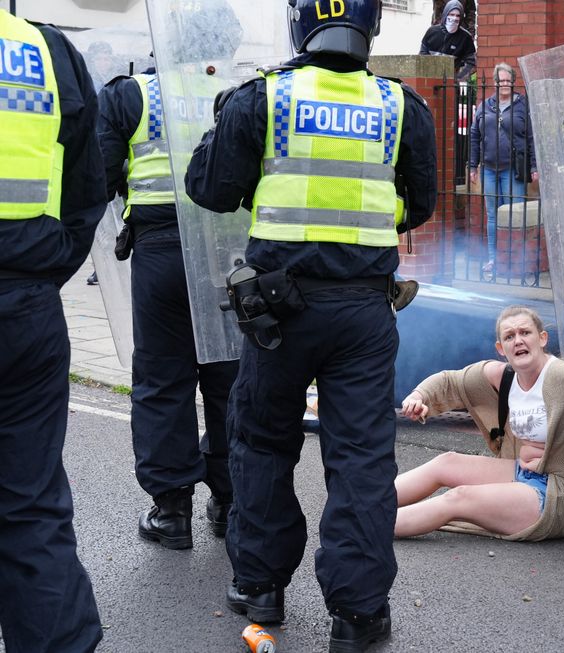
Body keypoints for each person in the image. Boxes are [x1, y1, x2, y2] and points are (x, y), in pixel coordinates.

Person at [184, 0, 437, 650]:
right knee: (358, 459)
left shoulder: (261, 99)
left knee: (265, 442)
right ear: (371, 23)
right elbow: (418, 204)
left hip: (277, 311)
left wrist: (231, 142)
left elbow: (207, 189)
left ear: (301, 20)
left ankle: (261, 589)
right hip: (362, 309)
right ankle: (357, 616)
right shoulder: (402, 107)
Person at [97, 47, 240, 547]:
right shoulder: (240, 91)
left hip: (159, 249)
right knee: (227, 374)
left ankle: (172, 510)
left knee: (162, 379)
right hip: (224, 251)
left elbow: (103, 170)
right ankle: (229, 501)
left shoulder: (132, 94)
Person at [0, 10, 104, 652]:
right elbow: (85, 188)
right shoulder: (44, 48)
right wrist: (37, 277)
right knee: (30, 505)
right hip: (27, 304)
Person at [397, 306, 564, 540]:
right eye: (509, 336)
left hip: (561, 494)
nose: (518, 341)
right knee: (446, 463)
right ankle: (359, 506)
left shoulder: (563, 376)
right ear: (500, 348)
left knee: (458, 498)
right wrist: (418, 396)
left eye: (525, 333)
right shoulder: (503, 376)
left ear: (542, 338)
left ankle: (365, 528)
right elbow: (450, 382)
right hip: (523, 474)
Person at [468, 62, 538, 278]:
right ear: (495, 82)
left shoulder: (522, 106)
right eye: (501, 81)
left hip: (512, 169)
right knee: (492, 215)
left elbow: (531, 139)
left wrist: (534, 166)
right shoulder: (484, 106)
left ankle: (515, 261)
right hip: (488, 168)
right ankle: (493, 258)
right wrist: (473, 166)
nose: (504, 84)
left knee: (514, 215)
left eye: (508, 80)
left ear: (513, 82)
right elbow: (474, 136)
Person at [419, 0, 476, 83]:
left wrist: (458, 78)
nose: (454, 18)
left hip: (451, 83)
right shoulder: (431, 32)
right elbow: (422, 56)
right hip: (430, 81)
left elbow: (471, 62)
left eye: (458, 16)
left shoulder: (465, 38)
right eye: (452, 15)